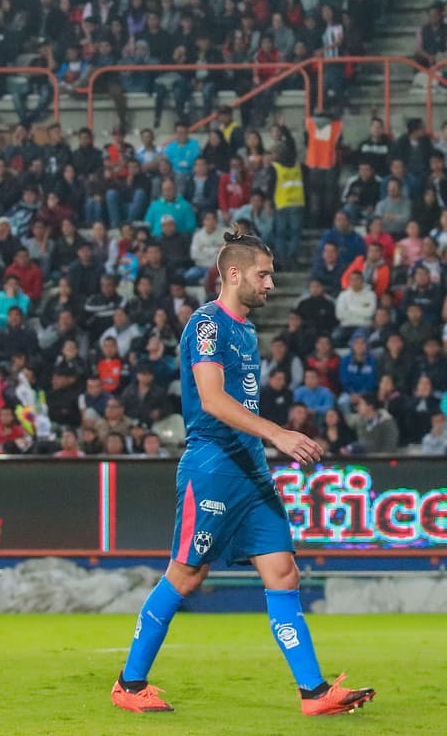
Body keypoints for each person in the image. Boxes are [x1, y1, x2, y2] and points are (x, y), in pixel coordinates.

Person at [112, 231, 374, 716]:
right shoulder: (207, 324)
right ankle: (129, 684)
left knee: (283, 571)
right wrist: (278, 433)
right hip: (213, 467)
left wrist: (266, 441)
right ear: (234, 274)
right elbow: (211, 400)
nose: (270, 283)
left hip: (250, 470)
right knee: (187, 576)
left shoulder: (247, 331)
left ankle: (314, 693)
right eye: (263, 274)